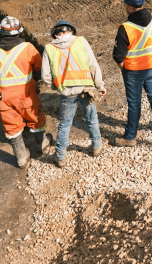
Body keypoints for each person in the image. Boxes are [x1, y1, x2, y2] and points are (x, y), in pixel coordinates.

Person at [112, 0, 152, 146]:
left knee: (134, 104)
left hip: (133, 72)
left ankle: (130, 137)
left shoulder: (125, 28)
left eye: (126, 5)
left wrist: (124, 69)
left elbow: (118, 56)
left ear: (130, 7)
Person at [42, 20, 106, 168]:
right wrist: (100, 85)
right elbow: (93, 65)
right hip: (86, 90)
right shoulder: (81, 41)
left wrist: (58, 87)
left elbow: (45, 76)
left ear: (56, 35)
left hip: (67, 93)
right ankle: (96, 147)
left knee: (65, 123)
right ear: (71, 32)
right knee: (92, 118)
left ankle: (60, 156)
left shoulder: (49, 48)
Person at [0, 16, 48, 169]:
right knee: (35, 118)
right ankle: (42, 145)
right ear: (19, 32)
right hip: (25, 93)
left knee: (11, 125)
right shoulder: (27, 47)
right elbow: (38, 65)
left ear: (1, 32)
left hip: (3, 96)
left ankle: (21, 158)